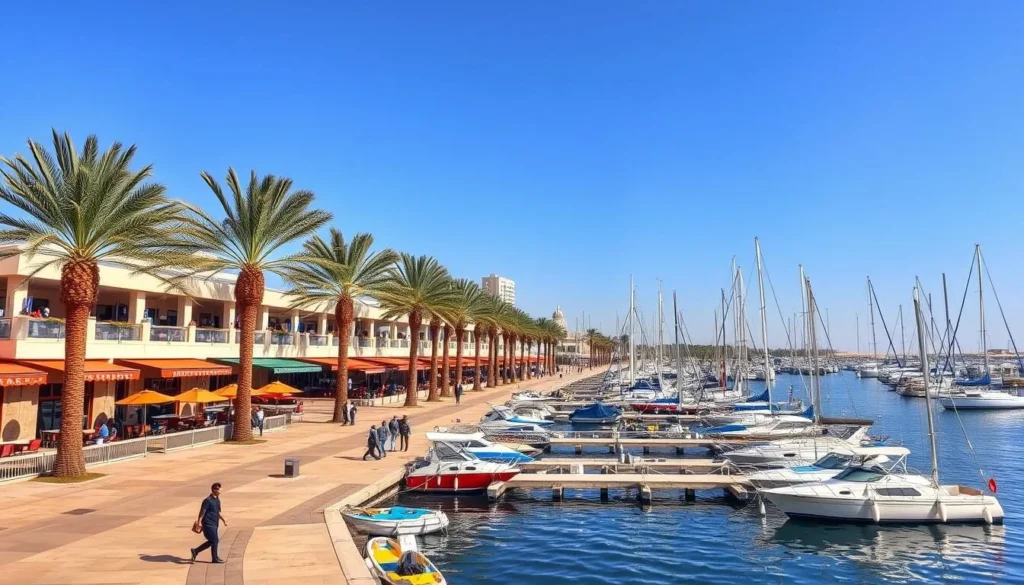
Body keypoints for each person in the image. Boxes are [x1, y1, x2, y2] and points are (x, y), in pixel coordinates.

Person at [191, 482, 227, 563]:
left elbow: (217, 512)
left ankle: (196, 551)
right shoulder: (207, 500)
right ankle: (214, 559)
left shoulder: (217, 499)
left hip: (215, 523)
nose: (220, 491)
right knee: (214, 540)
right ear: (214, 490)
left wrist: (223, 520)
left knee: (213, 541)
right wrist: (199, 522)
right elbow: (202, 512)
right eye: (219, 489)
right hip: (208, 523)